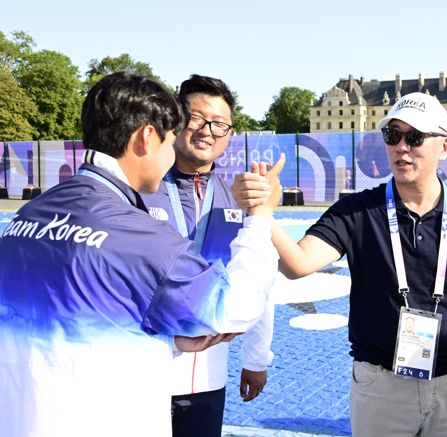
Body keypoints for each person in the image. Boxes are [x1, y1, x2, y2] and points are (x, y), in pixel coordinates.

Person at [0, 72, 283, 437]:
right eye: (171, 139)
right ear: (147, 137)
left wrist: (169, 339)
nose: (170, 156)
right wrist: (260, 218)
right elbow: (235, 307)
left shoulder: (26, 217)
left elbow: (90, 313)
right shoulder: (136, 232)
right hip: (104, 415)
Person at [235, 92, 447, 436]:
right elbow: (298, 264)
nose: (401, 147)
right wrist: (262, 213)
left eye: (415, 137)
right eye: (393, 135)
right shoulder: (357, 212)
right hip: (381, 386)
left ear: (445, 146)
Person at [141, 74, 274, 437]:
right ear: (175, 119)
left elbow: (259, 282)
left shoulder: (238, 198)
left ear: (229, 135)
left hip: (208, 381)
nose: (207, 131)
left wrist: (256, 358)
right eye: (196, 118)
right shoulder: (137, 190)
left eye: (219, 124)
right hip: (141, 375)